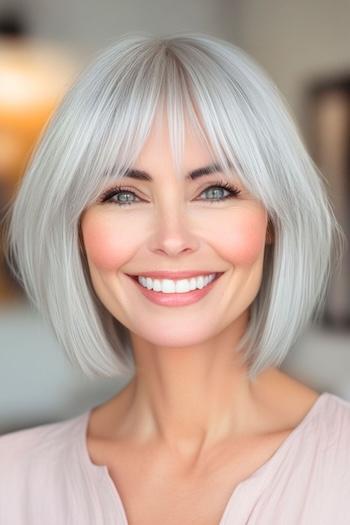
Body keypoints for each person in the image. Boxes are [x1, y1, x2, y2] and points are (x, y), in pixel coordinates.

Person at [1, 31, 349, 524]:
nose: (171, 237)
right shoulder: (12, 482)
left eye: (215, 191)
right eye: (123, 195)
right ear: (75, 228)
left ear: (272, 217)